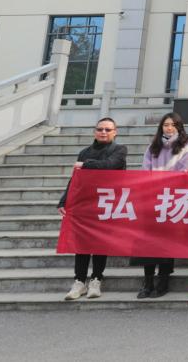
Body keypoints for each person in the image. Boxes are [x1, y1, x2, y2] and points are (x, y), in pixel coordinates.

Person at [60, 117, 127, 301]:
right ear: (94, 131)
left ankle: (96, 279)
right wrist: (64, 201)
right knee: (81, 243)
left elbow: (110, 166)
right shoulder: (84, 152)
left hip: (107, 202)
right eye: (100, 129)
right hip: (85, 202)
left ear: (115, 132)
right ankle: (79, 281)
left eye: (107, 129)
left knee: (100, 242)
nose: (103, 132)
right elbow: (75, 179)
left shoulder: (120, 150)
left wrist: (85, 164)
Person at [135, 112, 188, 298]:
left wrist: (164, 183)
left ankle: (163, 280)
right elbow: (145, 169)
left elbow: (184, 170)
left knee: (167, 241)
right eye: (166, 125)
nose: (169, 128)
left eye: (173, 125)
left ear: (179, 127)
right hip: (152, 197)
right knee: (148, 240)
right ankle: (148, 281)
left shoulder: (186, 145)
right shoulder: (153, 146)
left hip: (172, 198)